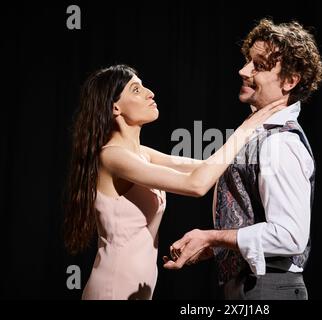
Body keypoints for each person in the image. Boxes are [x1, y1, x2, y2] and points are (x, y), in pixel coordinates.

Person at [63, 64, 287, 300]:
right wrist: (246, 128)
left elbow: (206, 168)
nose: (150, 92)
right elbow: (196, 184)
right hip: (112, 288)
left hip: (136, 289)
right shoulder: (111, 157)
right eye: (136, 90)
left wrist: (266, 154)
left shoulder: (142, 154)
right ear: (115, 107)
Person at [163, 18, 322, 300]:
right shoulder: (259, 134)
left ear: (290, 81)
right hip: (248, 287)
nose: (243, 70)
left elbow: (290, 236)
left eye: (258, 66)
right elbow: (250, 217)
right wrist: (213, 247)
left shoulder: (282, 142)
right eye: (248, 61)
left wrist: (211, 236)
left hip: (269, 288)